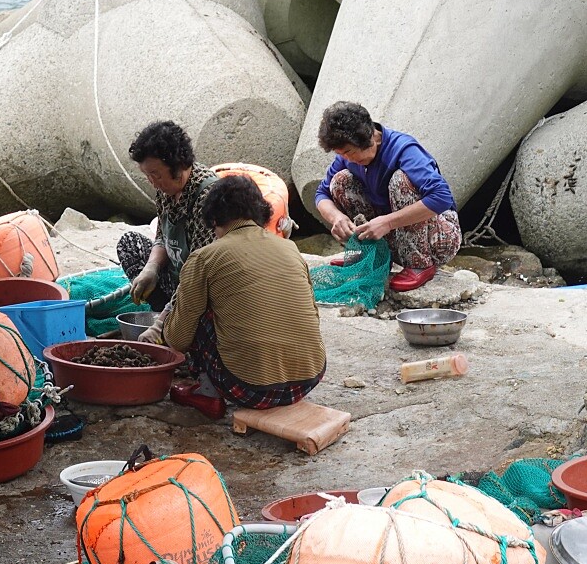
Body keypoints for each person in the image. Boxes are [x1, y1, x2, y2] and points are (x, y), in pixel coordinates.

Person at [161, 175, 327, 419]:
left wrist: (162, 328)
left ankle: (207, 393)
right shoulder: (290, 248)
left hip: (248, 389)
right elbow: (312, 315)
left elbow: (178, 340)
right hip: (307, 380)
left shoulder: (205, 257)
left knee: (197, 311)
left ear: (214, 219)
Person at [314, 101, 461, 292]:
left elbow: (441, 197)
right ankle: (370, 256)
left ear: (369, 138)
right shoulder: (346, 157)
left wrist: (388, 222)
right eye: (342, 154)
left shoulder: (404, 149)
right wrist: (336, 217)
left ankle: (419, 264)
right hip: (392, 236)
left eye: (349, 152)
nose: (347, 158)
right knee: (340, 180)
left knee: (401, 180)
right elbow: (321, 193)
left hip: (437, 239)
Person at [116, 121, 217, 316]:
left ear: (178, 167)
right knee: (129, 243)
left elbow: (200, 271)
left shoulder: (207, 196)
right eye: (147, 175)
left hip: (199, 288)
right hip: (175, 276)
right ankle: (162, 311)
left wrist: (163, 322)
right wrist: (151, 268)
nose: (152, 182)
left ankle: (169, 318)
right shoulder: (166, 190)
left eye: (155, 174)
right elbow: (162, 235)